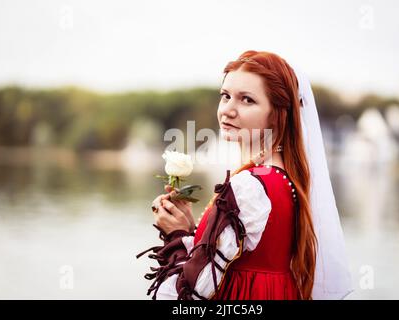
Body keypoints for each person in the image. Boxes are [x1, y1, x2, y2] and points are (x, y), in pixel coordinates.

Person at [137, 50, 353, 300]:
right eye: (225, 96)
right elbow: (241, 257)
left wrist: (175, 236)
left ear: (277, 113)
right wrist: (189, 228)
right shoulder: (285, 178)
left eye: (247, 100)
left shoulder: (248, 187)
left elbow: (191, 295)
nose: (228, 110)